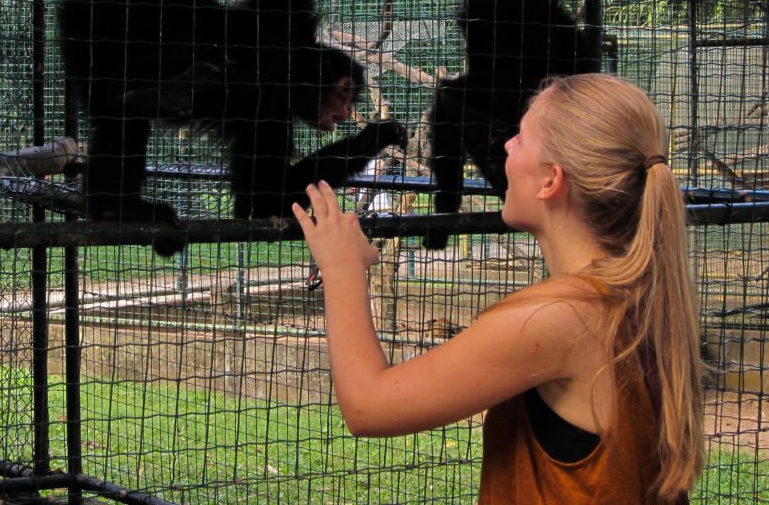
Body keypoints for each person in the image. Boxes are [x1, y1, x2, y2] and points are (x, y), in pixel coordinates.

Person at [293, 73, 704, 504]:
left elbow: (367, 405)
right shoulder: (632, 290)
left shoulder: (562, 318)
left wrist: (341, 268)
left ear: (551, 180)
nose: (506, 145)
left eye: (521, 139)